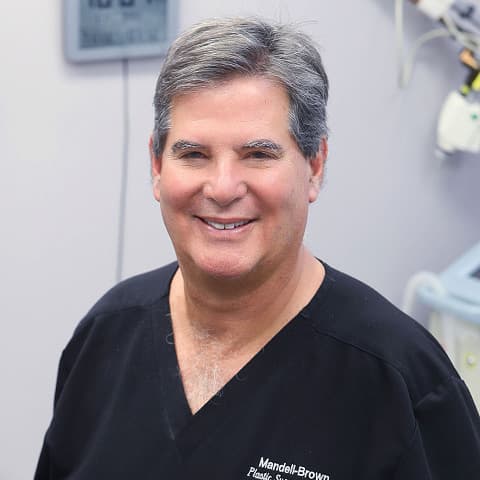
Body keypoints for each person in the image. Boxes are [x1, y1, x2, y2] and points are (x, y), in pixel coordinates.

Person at [35, 17, 480, 480]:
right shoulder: (106, 336)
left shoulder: (401, 383)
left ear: (315, 165)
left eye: (258, 155)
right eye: (193, 154)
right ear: (156, 165)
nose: (223, 188)